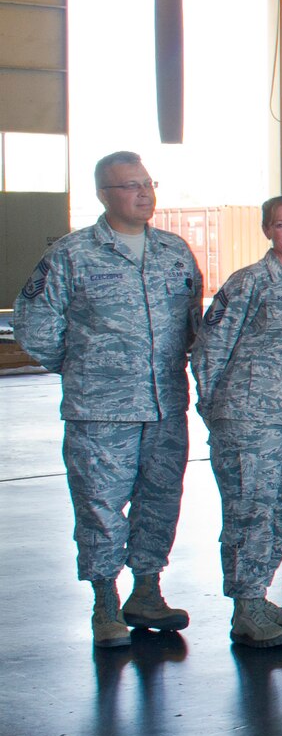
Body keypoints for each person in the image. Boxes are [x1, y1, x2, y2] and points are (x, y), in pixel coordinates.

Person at [14, 151, 202, 647]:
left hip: (164, 407)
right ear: (103, 194)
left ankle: (147, 591)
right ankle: (105, 603)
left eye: (147, 183)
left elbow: (191, 325)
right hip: (99, 412)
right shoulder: (72, 255)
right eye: (129, 186)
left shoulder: (175, 252)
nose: (144, 193)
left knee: (160, 502)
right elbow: (33, 327)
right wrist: (83, 369)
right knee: (100, 507)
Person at [192, 196, 282, 647]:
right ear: (267, 231)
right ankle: (244, 607)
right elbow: (209, 348)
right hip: (248, 418)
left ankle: (259, 595)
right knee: (250, 511)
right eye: (281, 224)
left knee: (280, 510)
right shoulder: (249, 282)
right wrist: (214, 409)